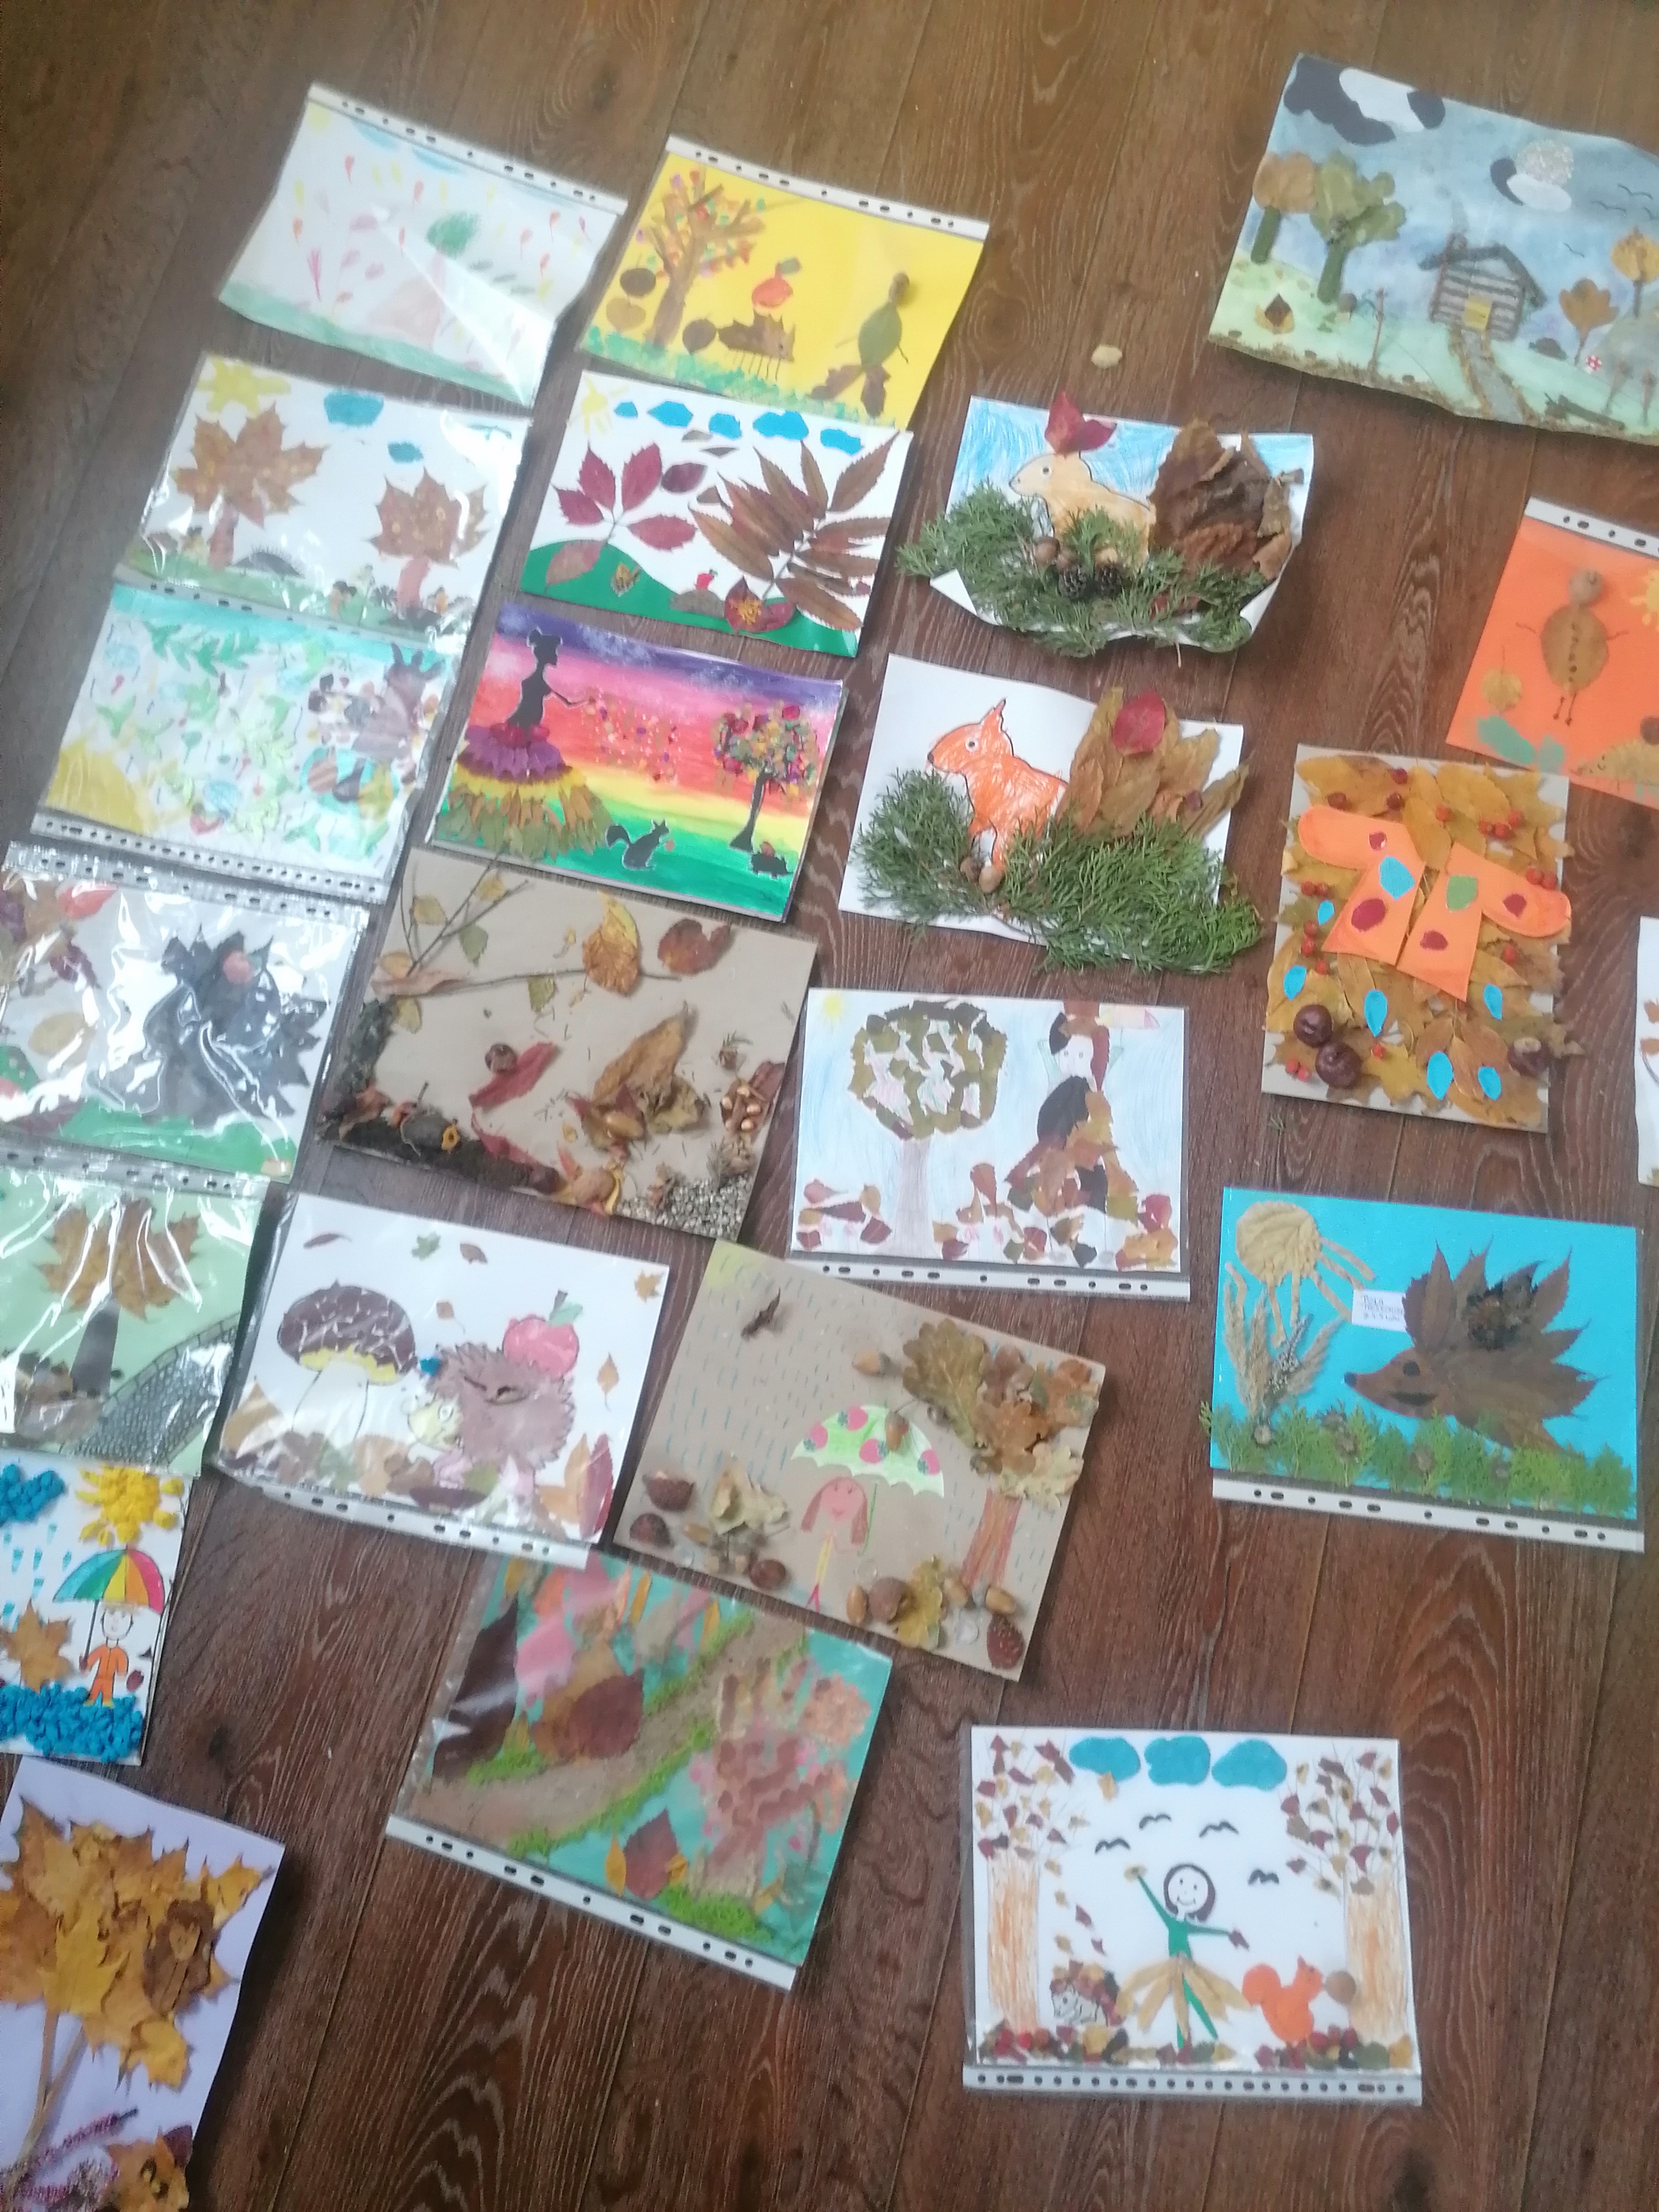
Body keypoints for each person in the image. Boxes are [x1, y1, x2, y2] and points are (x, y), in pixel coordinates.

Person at [1117, 1861, 1248, 2050]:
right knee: (1182, 2004)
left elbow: (1206, 1930)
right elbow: (1154, 1903)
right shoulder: (1170, 1921)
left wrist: (1227, 1933)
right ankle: (1191, 2042)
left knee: (1197, 1999)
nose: (1186, 1892)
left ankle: (1212, 2037)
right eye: (1181, 1884)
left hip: (1190, 1968)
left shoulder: (1186, 1926)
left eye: (1195, 1888)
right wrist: (1141, 1881)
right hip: (1172, 1969)